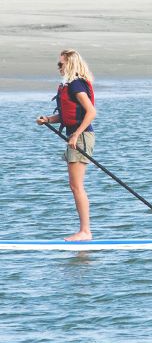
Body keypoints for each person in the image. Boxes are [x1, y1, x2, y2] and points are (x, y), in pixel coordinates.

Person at [36, 49, 97, 241]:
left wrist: (76, 135)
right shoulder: (69, 85)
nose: (58, 68)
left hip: (81, 137)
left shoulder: (76, 85)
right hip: (76, 135)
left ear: (69, 64)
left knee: (77, 186)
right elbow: (66, 116)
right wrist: (48, 119)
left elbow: (91, 112)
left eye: (61, 64)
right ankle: (84, 231)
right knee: (74, 186)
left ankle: (85, 232)